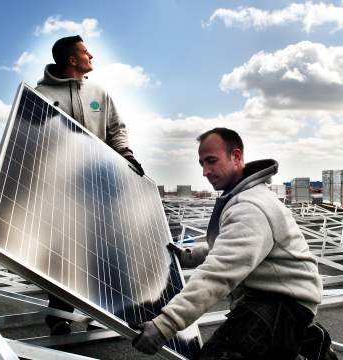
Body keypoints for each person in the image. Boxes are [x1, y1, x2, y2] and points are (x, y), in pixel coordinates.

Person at [132, 128, 323, 359]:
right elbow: (227, 247)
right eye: (202, 163)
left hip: (283, 303)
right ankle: (299, 345)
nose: (205, 171)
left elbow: (219, 271)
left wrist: (167, 324)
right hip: (274, 298)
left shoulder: (249, 207)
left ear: (236, 157)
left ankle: (298, 342)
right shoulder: (243, 196)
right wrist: (188, 256)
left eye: (212, 161)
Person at [36, 35, 145, 335]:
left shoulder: (99, 92)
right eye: (85, 52)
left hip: (102, 182)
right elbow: (34, 141)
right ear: (71, 59)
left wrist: (126, 155)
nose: (91, 56)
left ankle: (124, 309)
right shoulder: (41, 94)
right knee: (62, 251)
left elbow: (115, 129)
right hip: (61, 185)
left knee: (111, 245)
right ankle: (59, 314)